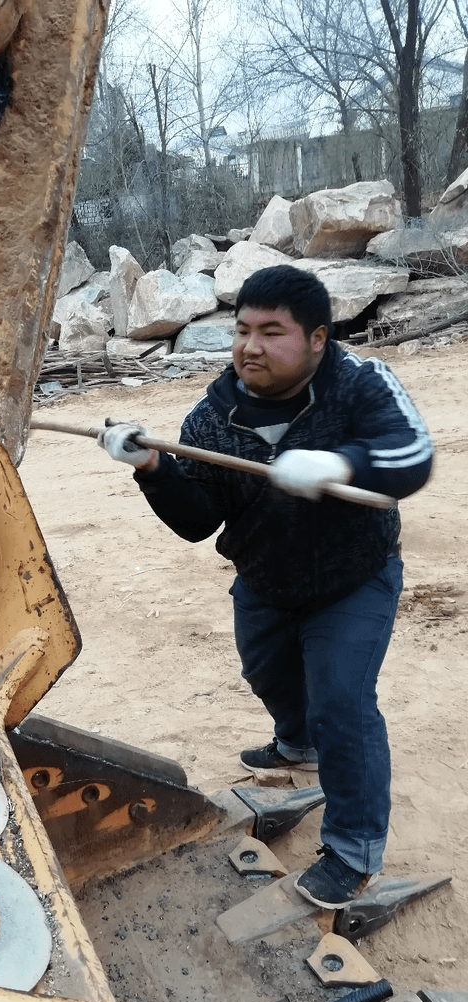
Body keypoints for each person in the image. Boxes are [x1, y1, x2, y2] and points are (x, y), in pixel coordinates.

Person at [98, 264, 433, 909]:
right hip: (265, 579)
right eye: (242, 329)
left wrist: (343, 462)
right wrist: (152, 468)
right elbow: (198, 522)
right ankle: (295, 744)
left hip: (353, 579)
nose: (249, 346)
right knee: (269, 676)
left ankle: (352, 851)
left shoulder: (359, 384)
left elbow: (411, 455)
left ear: (317, 338)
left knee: (343, 700)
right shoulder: (214, 414)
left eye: (271, 331)